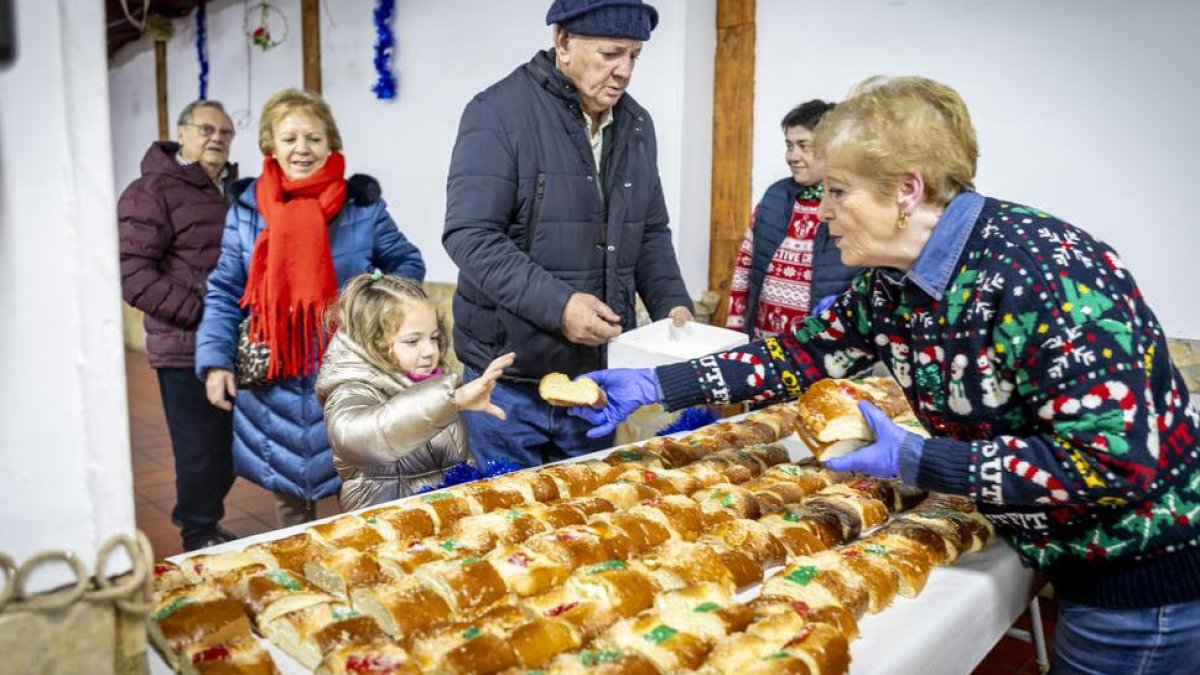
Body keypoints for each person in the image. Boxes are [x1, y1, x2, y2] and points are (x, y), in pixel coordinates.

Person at [572, 76, 1200, 673]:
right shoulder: (892, 284)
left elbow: (1116, 462)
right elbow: (796, 356)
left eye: (839, 191)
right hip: (1071, 558)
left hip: (1140, 583)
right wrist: (659, 385)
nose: (820, 212)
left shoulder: (1043, 272)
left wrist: (921, 460)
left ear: (906, 190)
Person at [442, 0, 693, 468]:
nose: (623, 71)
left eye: (634, 57)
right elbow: (470, 235)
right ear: (563, 43)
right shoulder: (496, 113)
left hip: (594, 378)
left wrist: (672, 306)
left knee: (585, 523)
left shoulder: (637, 126)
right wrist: (560, 306)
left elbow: (650, 231)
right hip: (508, 382)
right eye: (610, 54)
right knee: (507, 524)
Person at [195, 89, 425, 527]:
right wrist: (215, 361)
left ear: (331, 144)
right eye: (289, 139)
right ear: (270, 145)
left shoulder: (362, 206)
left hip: (349, 372)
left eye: (314, 138)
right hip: (274, 380)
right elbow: (225, 289)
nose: (302, 149)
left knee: (362, 499)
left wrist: (375, 307)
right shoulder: (246, 210)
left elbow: (406, 262)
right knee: (290, 511)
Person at [118, 99, 239, 551]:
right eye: (206, 129)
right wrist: (202, 315)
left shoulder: (233, 191)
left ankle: (197, 511)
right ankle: (199, 533)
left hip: (233, 346)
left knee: (231, 447)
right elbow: (132, 274)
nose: (217, 138)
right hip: (184, 346)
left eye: (226, 133)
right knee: (200, 449)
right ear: (182, 134)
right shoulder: (151, 191)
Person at [315, 274, 514, 511]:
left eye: (434, 338)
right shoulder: (351, 389)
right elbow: (360, 438)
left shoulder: (434, 381)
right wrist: (452, 400)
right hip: (388, 521)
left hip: (439, 514)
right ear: (372, 342)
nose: (430, 351)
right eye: (412, 341)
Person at [726, 100, 861, 339]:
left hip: (824, 354)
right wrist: (733, 336)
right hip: (763, 349)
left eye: (803, 146)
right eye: (789, 145)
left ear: (833, 148)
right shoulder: (774, 197)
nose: (792, 156)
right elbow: (744, 269)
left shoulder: (851, 204)